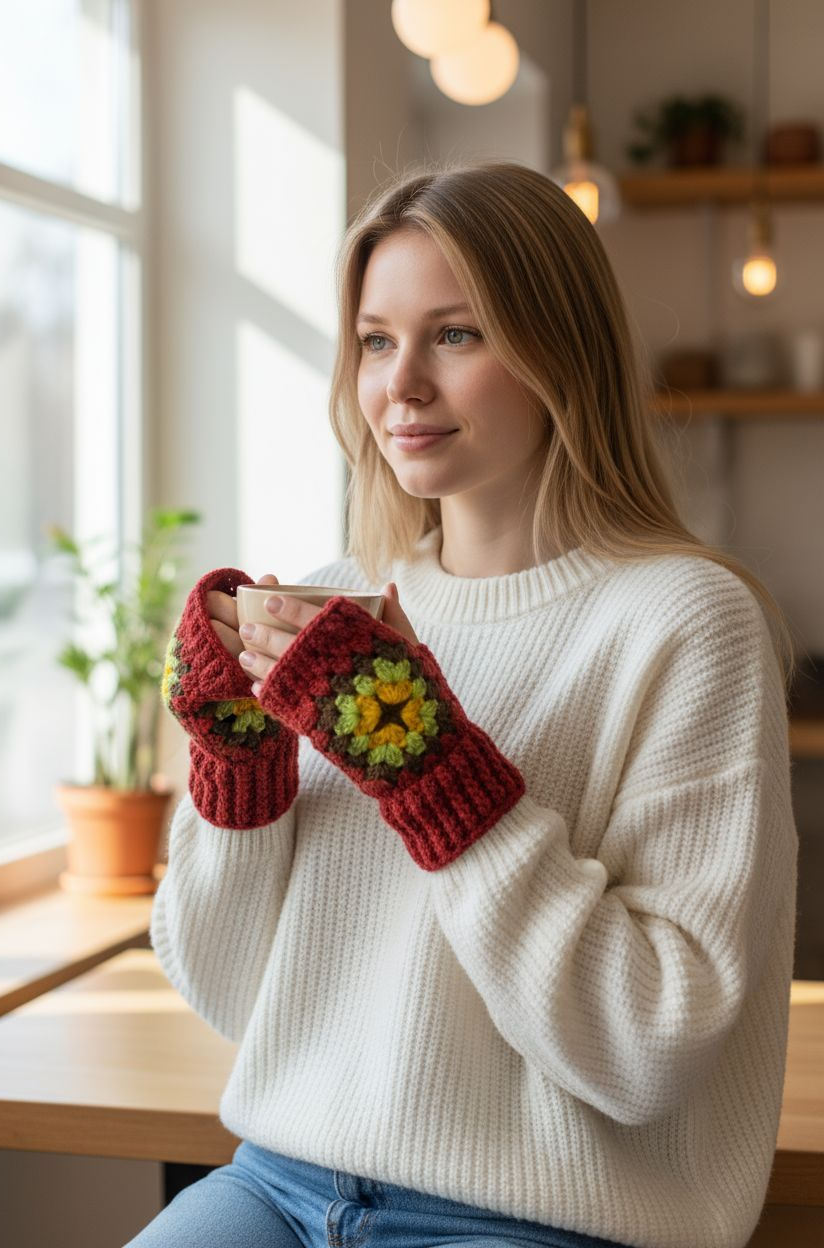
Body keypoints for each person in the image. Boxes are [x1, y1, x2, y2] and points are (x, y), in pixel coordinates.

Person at [127, 159, 798, 1248]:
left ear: (558, 351)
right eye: (375, 341)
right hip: (277, 1186)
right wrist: (234, 768)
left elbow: (646, 1050)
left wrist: (433, 769)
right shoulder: (336, 609)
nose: (401, 387)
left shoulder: (684, 621)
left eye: (455, 335)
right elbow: (232, 993)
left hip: (534, 1218)